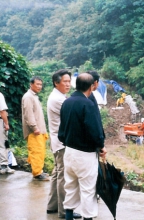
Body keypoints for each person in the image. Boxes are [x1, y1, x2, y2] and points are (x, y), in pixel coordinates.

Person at [58, 73, 107, 220]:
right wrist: (101, 146)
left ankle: (68, 216)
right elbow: (95, 131)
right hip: (85, 155)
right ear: (92, 86)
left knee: (71, 187)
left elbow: (61, 131)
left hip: (69, 152)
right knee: (88, 191)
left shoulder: (67, 102)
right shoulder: (88, 105)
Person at [46, 69, 81, 219]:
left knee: (57, 173)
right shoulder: (58, 99)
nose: (68, 84)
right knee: (63, 176)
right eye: (65, 81)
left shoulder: (58, 96)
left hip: (57, 141)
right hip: (61, 142)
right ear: (56, 82)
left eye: (69, 81)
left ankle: (52, 206)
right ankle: (64, 210)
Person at [22, 76, 49, 181]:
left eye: (41, 84)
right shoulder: (28, 97)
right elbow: (28, 114)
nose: (39, 86)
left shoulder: (34, 96)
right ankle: (37, 173)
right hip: (34, 131)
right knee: (36, 151)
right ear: (31, 84)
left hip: (39, 129)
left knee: (40, 151)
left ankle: (39, 171)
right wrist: (34, 128)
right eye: (37, 84)